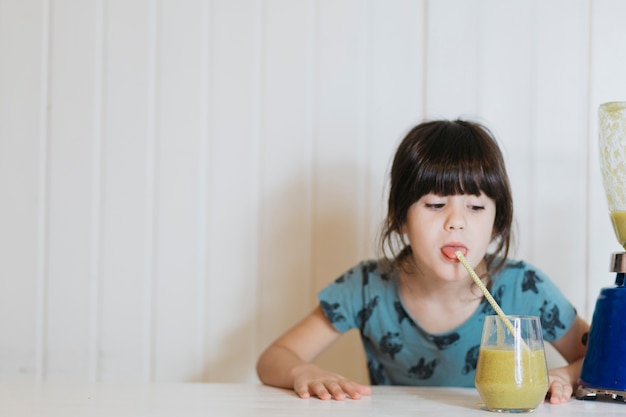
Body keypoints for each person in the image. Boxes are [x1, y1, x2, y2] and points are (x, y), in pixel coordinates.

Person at [256, 119, 589, 403]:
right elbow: (273, 359)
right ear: (400, 219)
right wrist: (304, 371)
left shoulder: (525, 289)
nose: (456, 221)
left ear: (496, 221)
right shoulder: (367, 286)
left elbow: (603, 356)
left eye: (475, 207)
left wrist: (566, 374)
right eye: (434, 204)